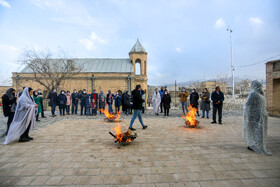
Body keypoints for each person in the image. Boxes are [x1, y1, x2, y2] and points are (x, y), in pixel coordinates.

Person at [243, 80, 272, 155]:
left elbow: (248, 104)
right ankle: (260, 145)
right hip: (262, 116)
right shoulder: (261, 93)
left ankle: (254, 145)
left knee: (253, 131)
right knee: (260, 132)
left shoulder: (253, 94)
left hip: (254, 117)